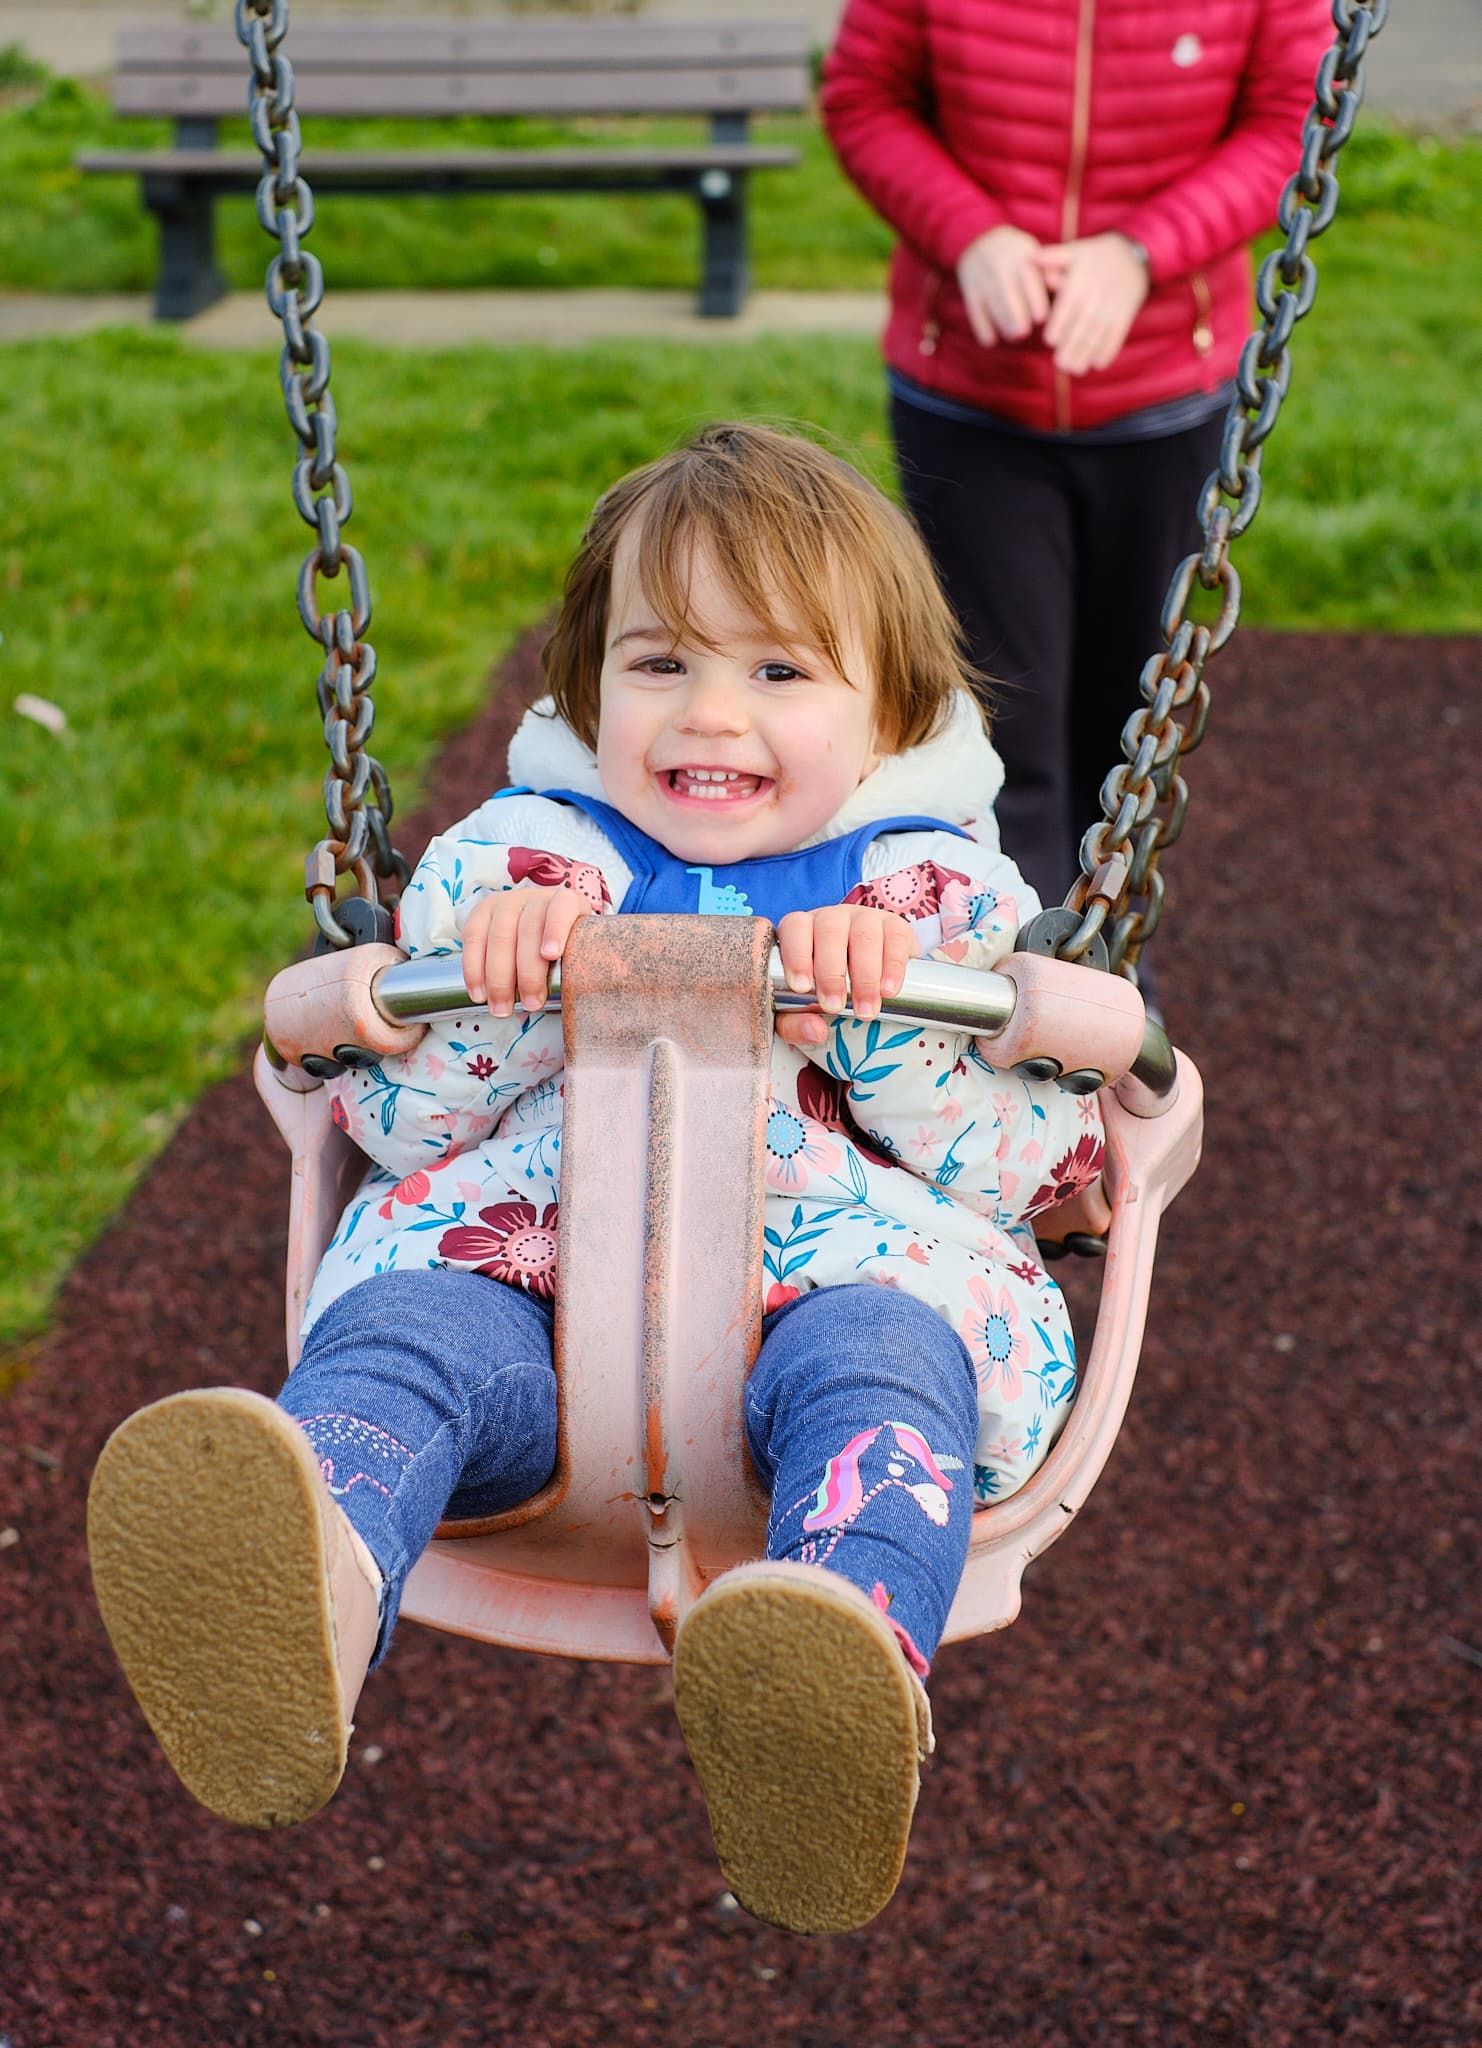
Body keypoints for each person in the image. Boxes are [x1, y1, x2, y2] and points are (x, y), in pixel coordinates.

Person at [88, 424, 1108, 1937]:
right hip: (531, 1294)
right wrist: (488, 994)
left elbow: (1043, 1163)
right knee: (409, 1340)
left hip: (848, 1283)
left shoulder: (939, 902)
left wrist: (888, 1033)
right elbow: (403, 1124)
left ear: (886, 706)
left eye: (776, 672)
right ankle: (301, 1594)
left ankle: (827, 1667)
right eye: (657, 664)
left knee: (886, 1376)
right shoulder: (514, 870)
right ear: (581, 690)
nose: (710, 713)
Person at [822, 0, 1330, 1001]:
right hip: (972, 399)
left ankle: (1106, 992)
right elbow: (865, 97)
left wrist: (1141, 252)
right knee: (998, 733)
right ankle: (1011, 994)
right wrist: (968, 236)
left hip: (1165, 400)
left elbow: (1290, 119)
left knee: (1130, 724)